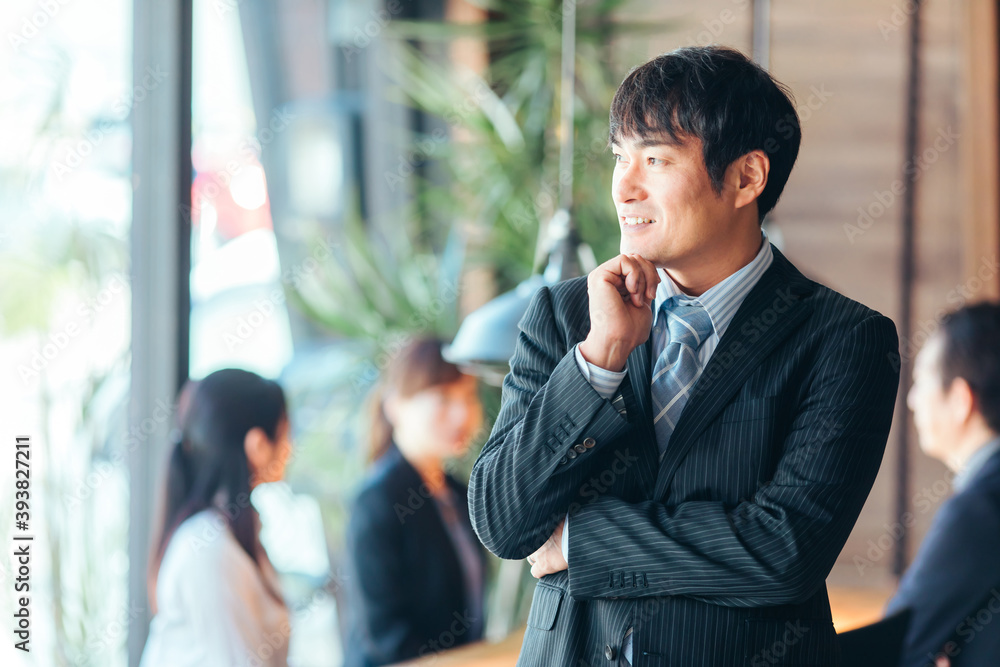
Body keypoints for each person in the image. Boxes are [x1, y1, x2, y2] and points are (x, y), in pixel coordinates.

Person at [469, 46, 900, 666]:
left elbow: (785, 551)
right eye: (619, 157)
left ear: (747, 178)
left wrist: (581, 541)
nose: (624, 187)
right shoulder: (566, 317)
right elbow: (503, 520)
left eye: (655, 159)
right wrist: (599, 360)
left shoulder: (844, 339)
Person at [343, 338, 487, 667]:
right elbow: (386, 635)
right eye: (443, 398)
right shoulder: (376, 502)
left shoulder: (458, 492)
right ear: (396, 406)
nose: (462, 414)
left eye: (468, 396)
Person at [140, 369, 293, 667]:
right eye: (286, 433)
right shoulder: (207, 548)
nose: (290, 448)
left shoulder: (227, 536)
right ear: (258, 445)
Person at [883, 303, 1000, 667]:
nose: (912, 400)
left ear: (961, 401)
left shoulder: (979, 509)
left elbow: (891, 644)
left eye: (922, 381)